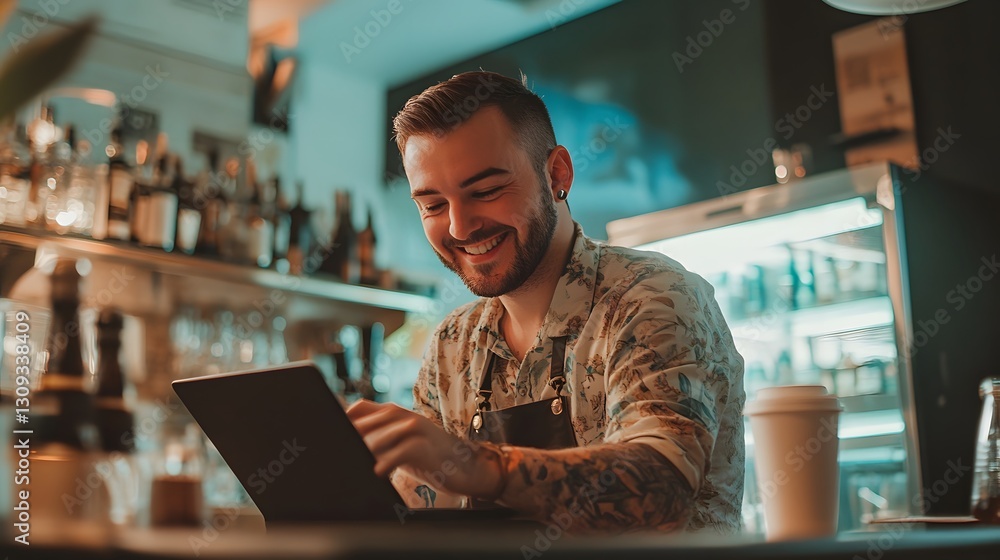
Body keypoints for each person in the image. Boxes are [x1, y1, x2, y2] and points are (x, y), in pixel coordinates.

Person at [347, 71, 745, 533]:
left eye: (486, 191)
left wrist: (477, 465)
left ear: (557, 173)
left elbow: (660, 487)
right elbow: (416, 513)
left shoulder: (651, 298)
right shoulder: (453, 344)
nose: (459, 227)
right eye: (433, 205)